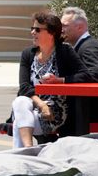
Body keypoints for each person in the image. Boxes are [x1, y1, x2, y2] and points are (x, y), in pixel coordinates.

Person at [12, 11, 90, 148]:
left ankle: (25, 153)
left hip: (54, 113)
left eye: (37, 29)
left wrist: (60, 80)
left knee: (18, 123)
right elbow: (24, 87)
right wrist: (41, 105)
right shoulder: (28, 54)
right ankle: (28, 149)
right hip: (33, 107)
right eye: (32, 28)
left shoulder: (64, 52)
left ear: (52, 33)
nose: (32, 32)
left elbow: (85, 75)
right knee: (20, 101)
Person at [58, 7, 98, 134]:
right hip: (84, 106)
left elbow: (96, 76)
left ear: (79, 27)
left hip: (95, 109)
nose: (61, 29)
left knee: (47, 117)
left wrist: (63, 80)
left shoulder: (90, 48)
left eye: (65, 25)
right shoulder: (82, 46)